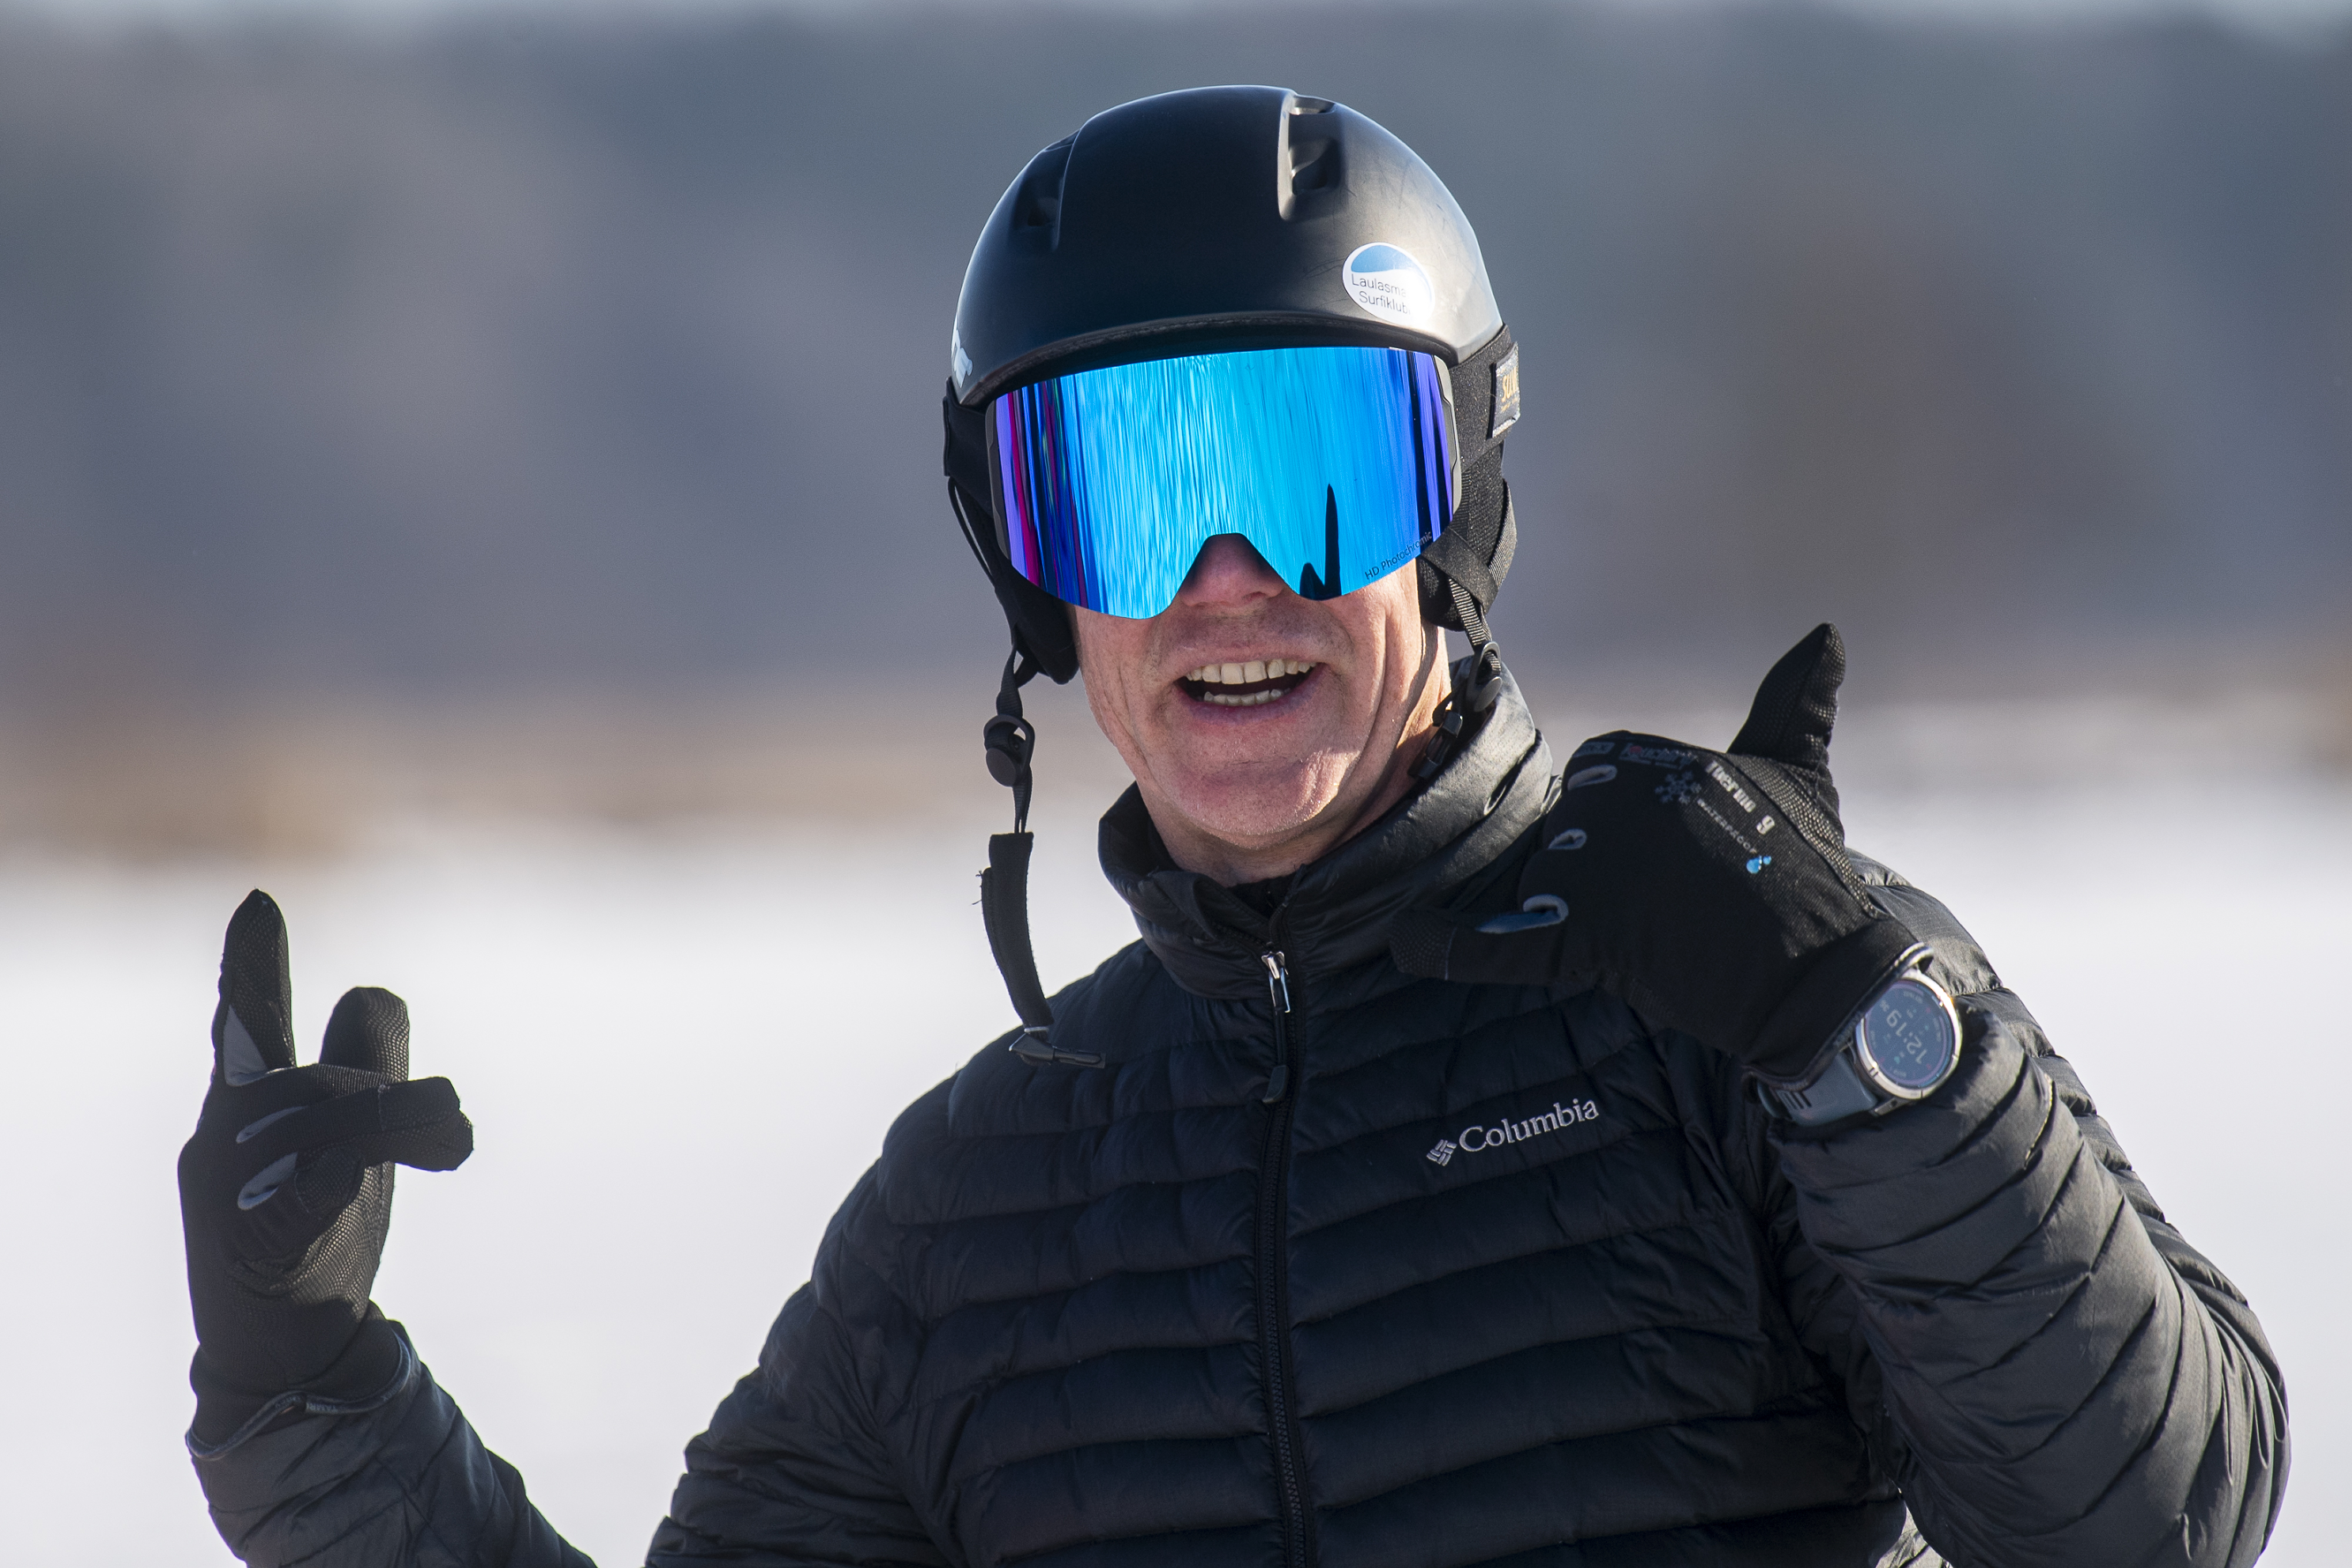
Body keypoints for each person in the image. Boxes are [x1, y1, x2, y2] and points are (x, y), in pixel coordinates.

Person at [176, 86, 2288, 1568]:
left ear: (1455, 516)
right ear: (1040, 590)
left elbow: (2159, 1523)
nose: (1224, 578)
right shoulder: (976, 1214)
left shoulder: (1752, 996)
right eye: (1123, 488)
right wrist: (308, 1395)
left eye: (1310, 469)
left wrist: (1868, 1030)